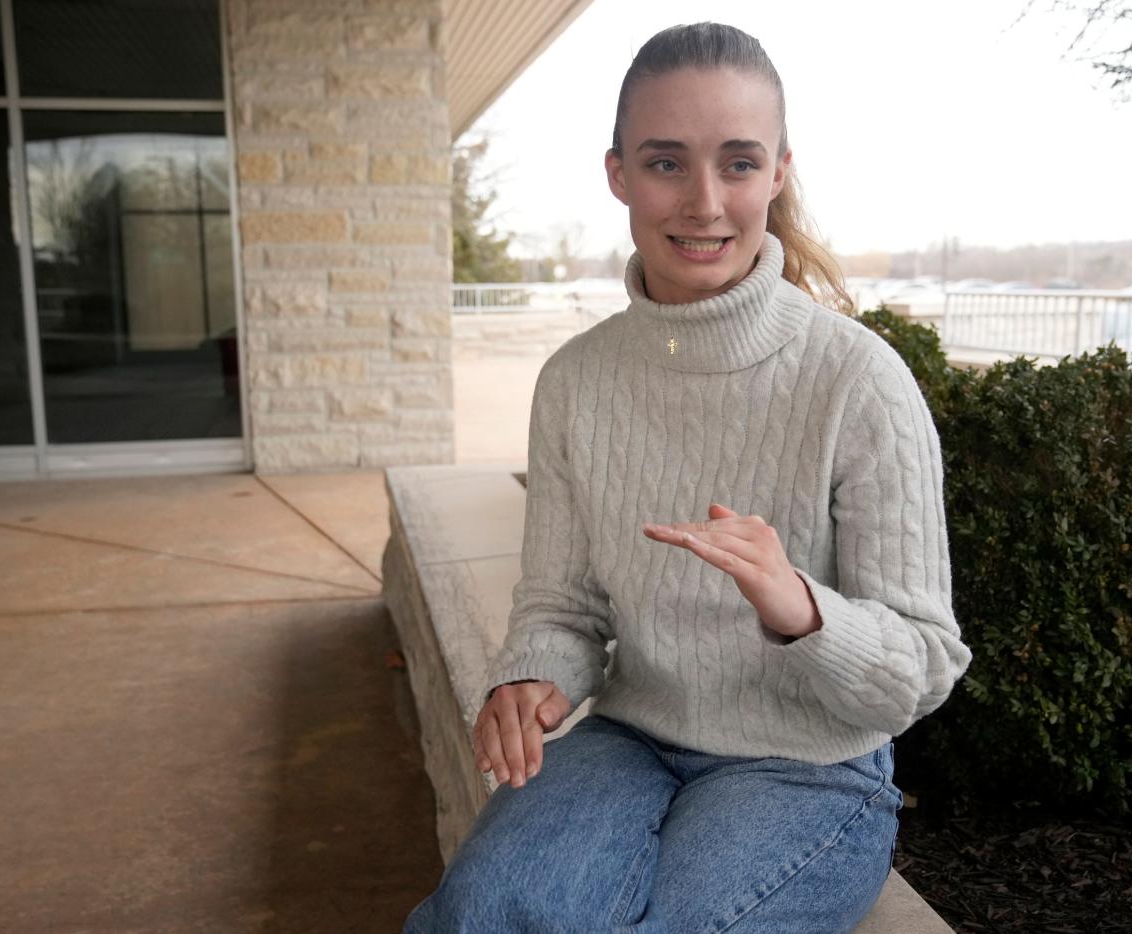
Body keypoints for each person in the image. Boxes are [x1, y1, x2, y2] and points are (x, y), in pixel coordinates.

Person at [404, 21, 972, 934]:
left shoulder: (857, 380)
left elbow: (923, 667)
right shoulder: (576, 381)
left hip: (809, 766)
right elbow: (562, 609)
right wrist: (530, 681)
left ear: (778, 172)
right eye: (667, 163)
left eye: (738, 163)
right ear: (618, 174)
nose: (705, 202)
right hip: (630, 737)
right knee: (482, 911)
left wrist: (802, 610)